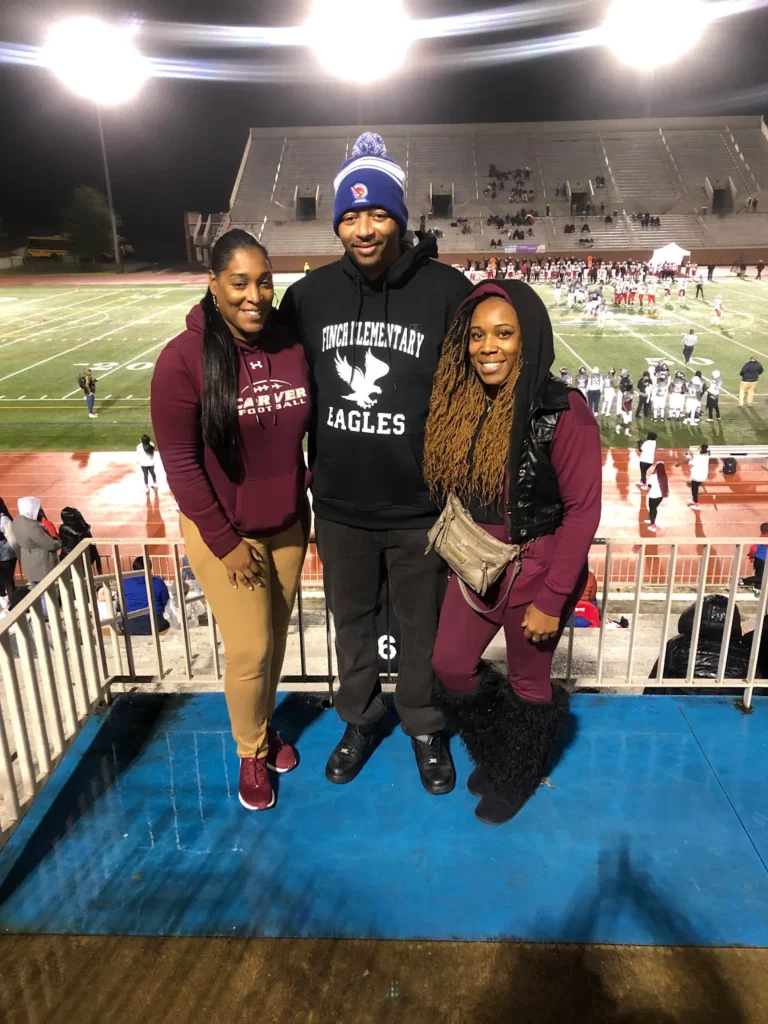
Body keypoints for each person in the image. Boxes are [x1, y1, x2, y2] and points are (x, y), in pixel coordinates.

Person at [279, 132, 471, 795]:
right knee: (351, 624)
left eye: (378, 213)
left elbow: (480, 390)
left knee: (422, 628)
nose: (364, 228)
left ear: (400, 218)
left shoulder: (447, 290)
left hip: (421, 507)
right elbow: (271, 376)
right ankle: (359, 719)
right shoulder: (307, 298)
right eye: (351, 215)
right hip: (338, 506)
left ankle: (423, 723)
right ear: (338, 221)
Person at [425, 280, 601, 825]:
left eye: (504, 333)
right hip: (477, 569)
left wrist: (553, 598)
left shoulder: (562, 410)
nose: (487, 346)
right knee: (450, 665)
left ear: (528, 338)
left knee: (529, 684)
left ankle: (517, 773)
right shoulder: (463, 401)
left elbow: (583, 512)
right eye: (476, 335)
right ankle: (502, 746)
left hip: (538, 575)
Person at [151, 228, 311, 813]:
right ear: (213, 284)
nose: (255, 294)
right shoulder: (182, 361)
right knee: (249, 649)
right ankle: (250, 752)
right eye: (239, 282)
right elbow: (182, 466)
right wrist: (225, 541)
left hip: (290, 523)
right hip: (226, 532)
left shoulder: (291, 344)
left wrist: (304, 491)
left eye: (264, 280)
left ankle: (265, 729)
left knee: (272, 642)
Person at [12, 496, 61, 587]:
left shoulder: (17, 521)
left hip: (28, 560)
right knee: (48, 593)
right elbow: (50, 545)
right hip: (41, 564)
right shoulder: (33, 527)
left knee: (37, 588)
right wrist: (60, 542)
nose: (40, 511)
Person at [119, 556, 171, 635]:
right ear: (150, 568)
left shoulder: (124, 582)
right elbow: (166, 602)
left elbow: (120, 602)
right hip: (156, 623)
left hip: (128, 624)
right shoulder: (159, 582)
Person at [59, 506, 102, 574]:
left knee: (70, 579)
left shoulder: (62, 528)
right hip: (82, 559)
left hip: (66, 558)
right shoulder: (84, 530)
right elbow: (91, 546)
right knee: (82, 578)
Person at [0, 498, 18, 603]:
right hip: (6, 555)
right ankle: (13, 602)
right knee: (8, 580)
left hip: (4, 554)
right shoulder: (4, 520)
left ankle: (3, 597)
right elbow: (12, 539)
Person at [741, 524, 768, 592]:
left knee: (760, 575)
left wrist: (752, 556)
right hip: (763, 560)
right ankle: (744, 581)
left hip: (758, 559)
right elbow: (754, 548)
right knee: (762, 577)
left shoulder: (760, 538)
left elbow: (753, 548)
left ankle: (757, 588)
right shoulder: (764, 539)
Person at [645, 462, 668, 533]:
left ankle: (653, 525)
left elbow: (649, 486)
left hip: (653, 496)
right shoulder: (664, 477)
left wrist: (647, 491)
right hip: (660, 496)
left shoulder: (653, 476)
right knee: (654, 508)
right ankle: (651, 519)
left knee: (652, 508)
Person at [687, 444, 710, 510]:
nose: (698, 448)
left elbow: (691, 464)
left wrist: (692, 457)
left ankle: (696, 504)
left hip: (697, 476)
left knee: (694, 489)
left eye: (699, 447)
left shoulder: (697, 457)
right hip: (703, 475)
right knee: (695, 487)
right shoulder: (707, 455)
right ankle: (694, 500)